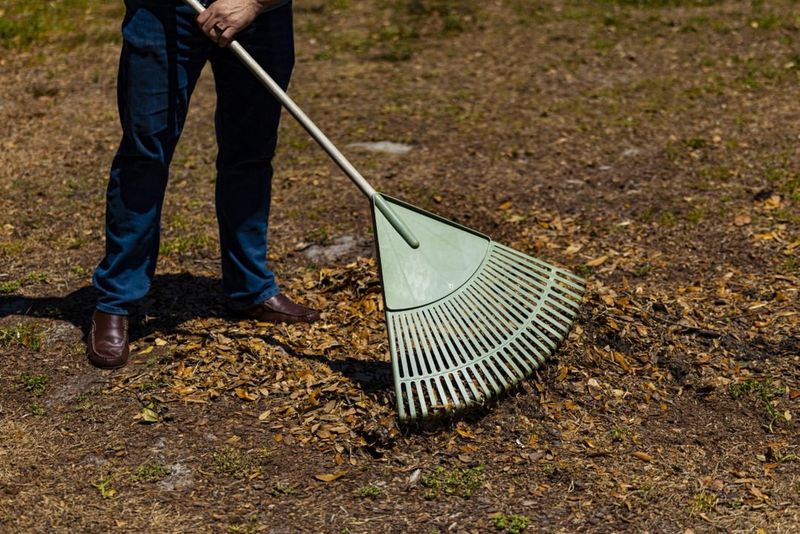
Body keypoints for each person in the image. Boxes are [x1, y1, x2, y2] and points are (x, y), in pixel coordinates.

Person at [88, 0, 319, 370]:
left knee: (251, 152)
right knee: (144, 153)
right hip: (162, 12)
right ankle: (117, 300)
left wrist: (255, 3)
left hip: (261, 16)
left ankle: (250, 287)